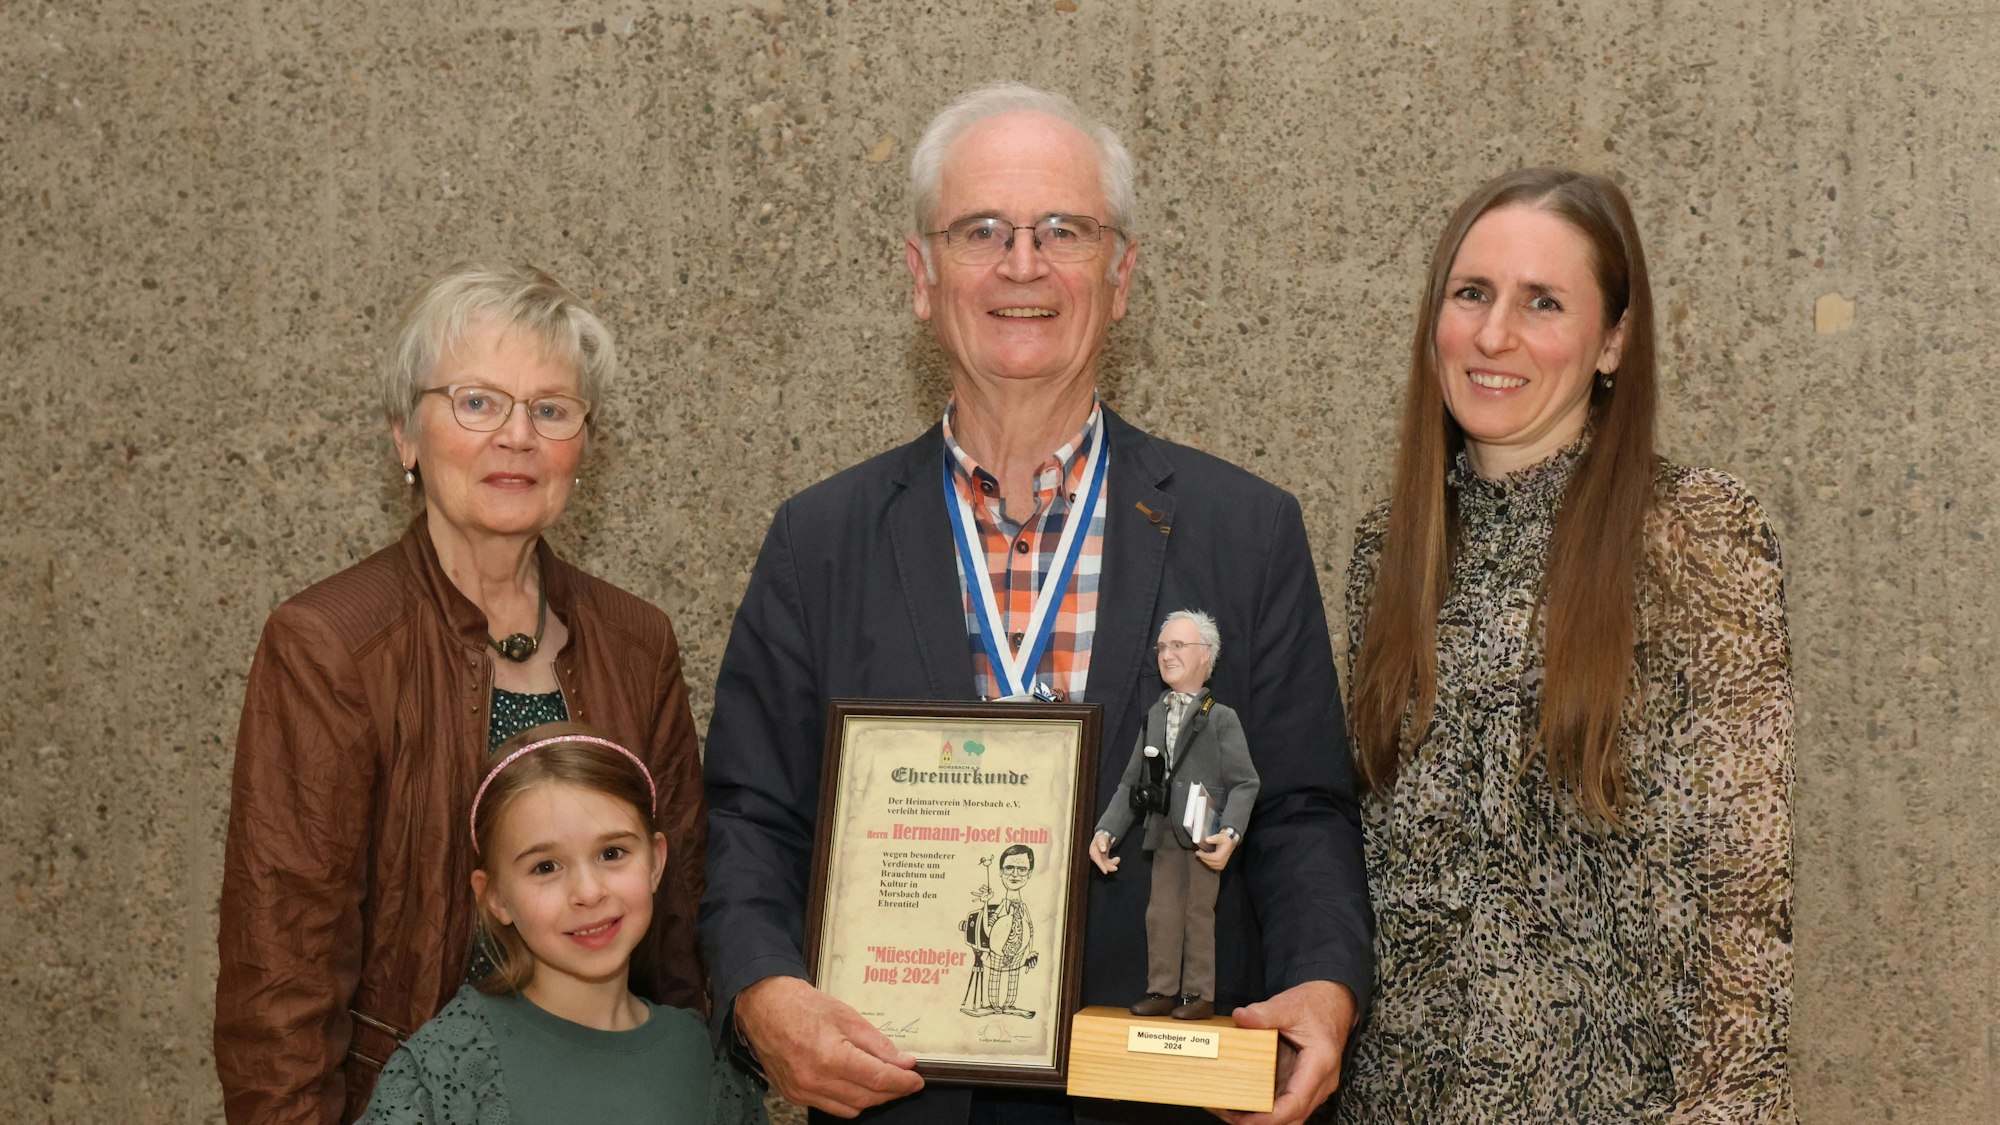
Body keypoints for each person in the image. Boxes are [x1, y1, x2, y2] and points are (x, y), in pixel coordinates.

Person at [699, 82, 1373, 1125]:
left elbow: (1299, 812)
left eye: (1064, 230)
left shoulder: (1245, 533)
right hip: (902, 1099)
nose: (1023, 264)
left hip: (1164, 1100)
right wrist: (757, 990)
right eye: (982, 232)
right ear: (922, 277)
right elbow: (749, 816)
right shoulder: (817, 543)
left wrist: (1326, 982)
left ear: (1121, 276)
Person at [1337, 168, 1795, 1122]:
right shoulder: (1391, 549)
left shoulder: (1695, 535)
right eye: (1472, 294)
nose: (1494, 335)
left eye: (1543, 302)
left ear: (1614, 341)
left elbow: (1747, 900)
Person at [216, 263, 709, 1124]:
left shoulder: (640, 642)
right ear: (406, 436)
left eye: (551, 409)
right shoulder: (329, 645)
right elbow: (280, 971)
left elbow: (680, 934)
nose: (517, 436)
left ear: (582, 447)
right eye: (477, 402)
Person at [356, 724, 762, 1125]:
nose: (588, 891)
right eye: (545, 867)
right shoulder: (439, 1070)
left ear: (656, 861)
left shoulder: (708, 1061)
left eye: (612, 853)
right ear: (495, 896)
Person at [1091, 609, 1260, 1022]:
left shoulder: (1221, 718)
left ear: (1206, 655)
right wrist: (1106, 831)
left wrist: (1232, 832)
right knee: (1161, 912)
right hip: (1162, 828)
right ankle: (1162, 988)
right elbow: (1131, 783)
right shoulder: (1154, 715)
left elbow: (1246, 782)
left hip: (1203, 830)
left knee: (1198, 913)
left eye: (1178, 645)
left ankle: (1198, 994)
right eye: (1162, 647)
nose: (1167, 654)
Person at [960, 845, 1041, 1018]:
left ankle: (1009, 1004)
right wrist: (985, 904)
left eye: (1022, 869)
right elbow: (989, 928)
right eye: (1009, 868)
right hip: (999, 948)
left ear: (1030, 873)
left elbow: (1030, 930)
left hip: (1019, 949)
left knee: (1014, 975)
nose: (1015, 874)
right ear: (1000, 871)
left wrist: (1030, 951)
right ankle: (994, 1005)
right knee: (995, 975)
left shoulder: (1024, 907)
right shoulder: (1002, 905)